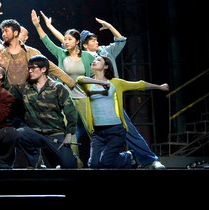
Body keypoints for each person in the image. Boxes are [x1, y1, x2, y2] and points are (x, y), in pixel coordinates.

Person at [41, 13, 165, 169]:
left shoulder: (105, 53)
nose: (96, 41)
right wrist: (48, 26)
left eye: (96, 39)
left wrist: (110, 26)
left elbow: (121, 41)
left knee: (128, 130)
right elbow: (63, 41)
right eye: (92, 40)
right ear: (83, 45)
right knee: (71, 132)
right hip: (86, 101)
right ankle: (70, 163)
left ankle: (149, 160)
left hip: (109, 101)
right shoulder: (82, 56)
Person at [77, 56, 169, 168]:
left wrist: (159, 87)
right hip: (98, 133)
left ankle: (128, 157)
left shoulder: (115, 83)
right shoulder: (88, 84)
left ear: (106, 66)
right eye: (94, 60)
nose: (94, 61)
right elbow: (79, 79)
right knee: (94, 165)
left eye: (98, 60)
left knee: (106, 161)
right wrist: (101, 83)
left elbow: (139, 84)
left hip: (115, 130)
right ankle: (127, 158)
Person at [31, 10, 95, 165]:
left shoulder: (88, 57)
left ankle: (98, 160)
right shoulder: (61, 54)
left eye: (69, 39)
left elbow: (92, 78)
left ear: (77, 41)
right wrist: (38, 25)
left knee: (92, 131)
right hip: (65, 99)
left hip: (83, 98)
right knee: (68, 133)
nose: (66, 41)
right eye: (65, 39)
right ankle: (75, 163)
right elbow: (47, 41)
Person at [7, 55, 78, 169]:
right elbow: (8, 92)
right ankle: (36, 161)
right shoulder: (25, 87)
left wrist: (69, 134)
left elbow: (70, 111)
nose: (30, 71)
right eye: (28, 68)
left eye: (33, 68)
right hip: (34, 132)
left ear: (43, 69)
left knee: (70, 165)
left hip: (54, 133)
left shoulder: (57, 87)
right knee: (17, 133)